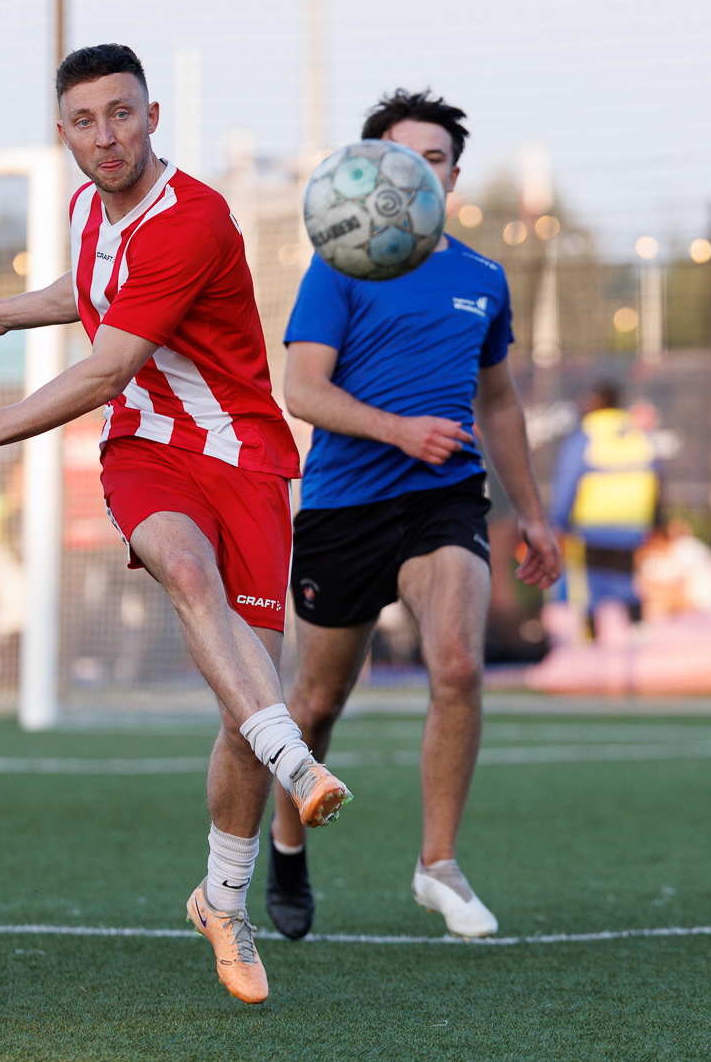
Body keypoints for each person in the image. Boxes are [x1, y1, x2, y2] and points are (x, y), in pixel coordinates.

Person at [0, 44, 351, 1005]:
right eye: (85, 122)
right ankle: (295, 758)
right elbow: (94, 291)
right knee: (185, 572)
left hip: (247, 458)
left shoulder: (193, 219)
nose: (106, 137)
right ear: (64, 134)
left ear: (152, 115)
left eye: (121, 114)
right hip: (147, 448)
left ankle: (224, 902)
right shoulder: (85, 209)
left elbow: (103, 362)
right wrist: (12, 311)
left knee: (241, 702)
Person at [272, 89, 562, 941]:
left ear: (452, 177)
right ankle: (288, 842)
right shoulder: (338, 267)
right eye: (401, 161)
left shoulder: (482, 278)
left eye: (433, 161)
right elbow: (302, 389)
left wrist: (536, 516)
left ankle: (437, 862)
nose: (418, 175)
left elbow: (499, 404)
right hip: (344, 504)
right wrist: (398, 428)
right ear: (368, 174)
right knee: (319, 700)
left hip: (444, 499)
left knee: (459, 665)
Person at [549, 380, 659, 632]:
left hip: (592, 526)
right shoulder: (638, 434)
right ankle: (639, 634)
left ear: (597, 403)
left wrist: (558, 522)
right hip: (632, 524)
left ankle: (590, 643)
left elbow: (567, 482)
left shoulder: (586, 436)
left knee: (587, 590)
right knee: (628, 583)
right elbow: (657, 476)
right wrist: (656, 520)